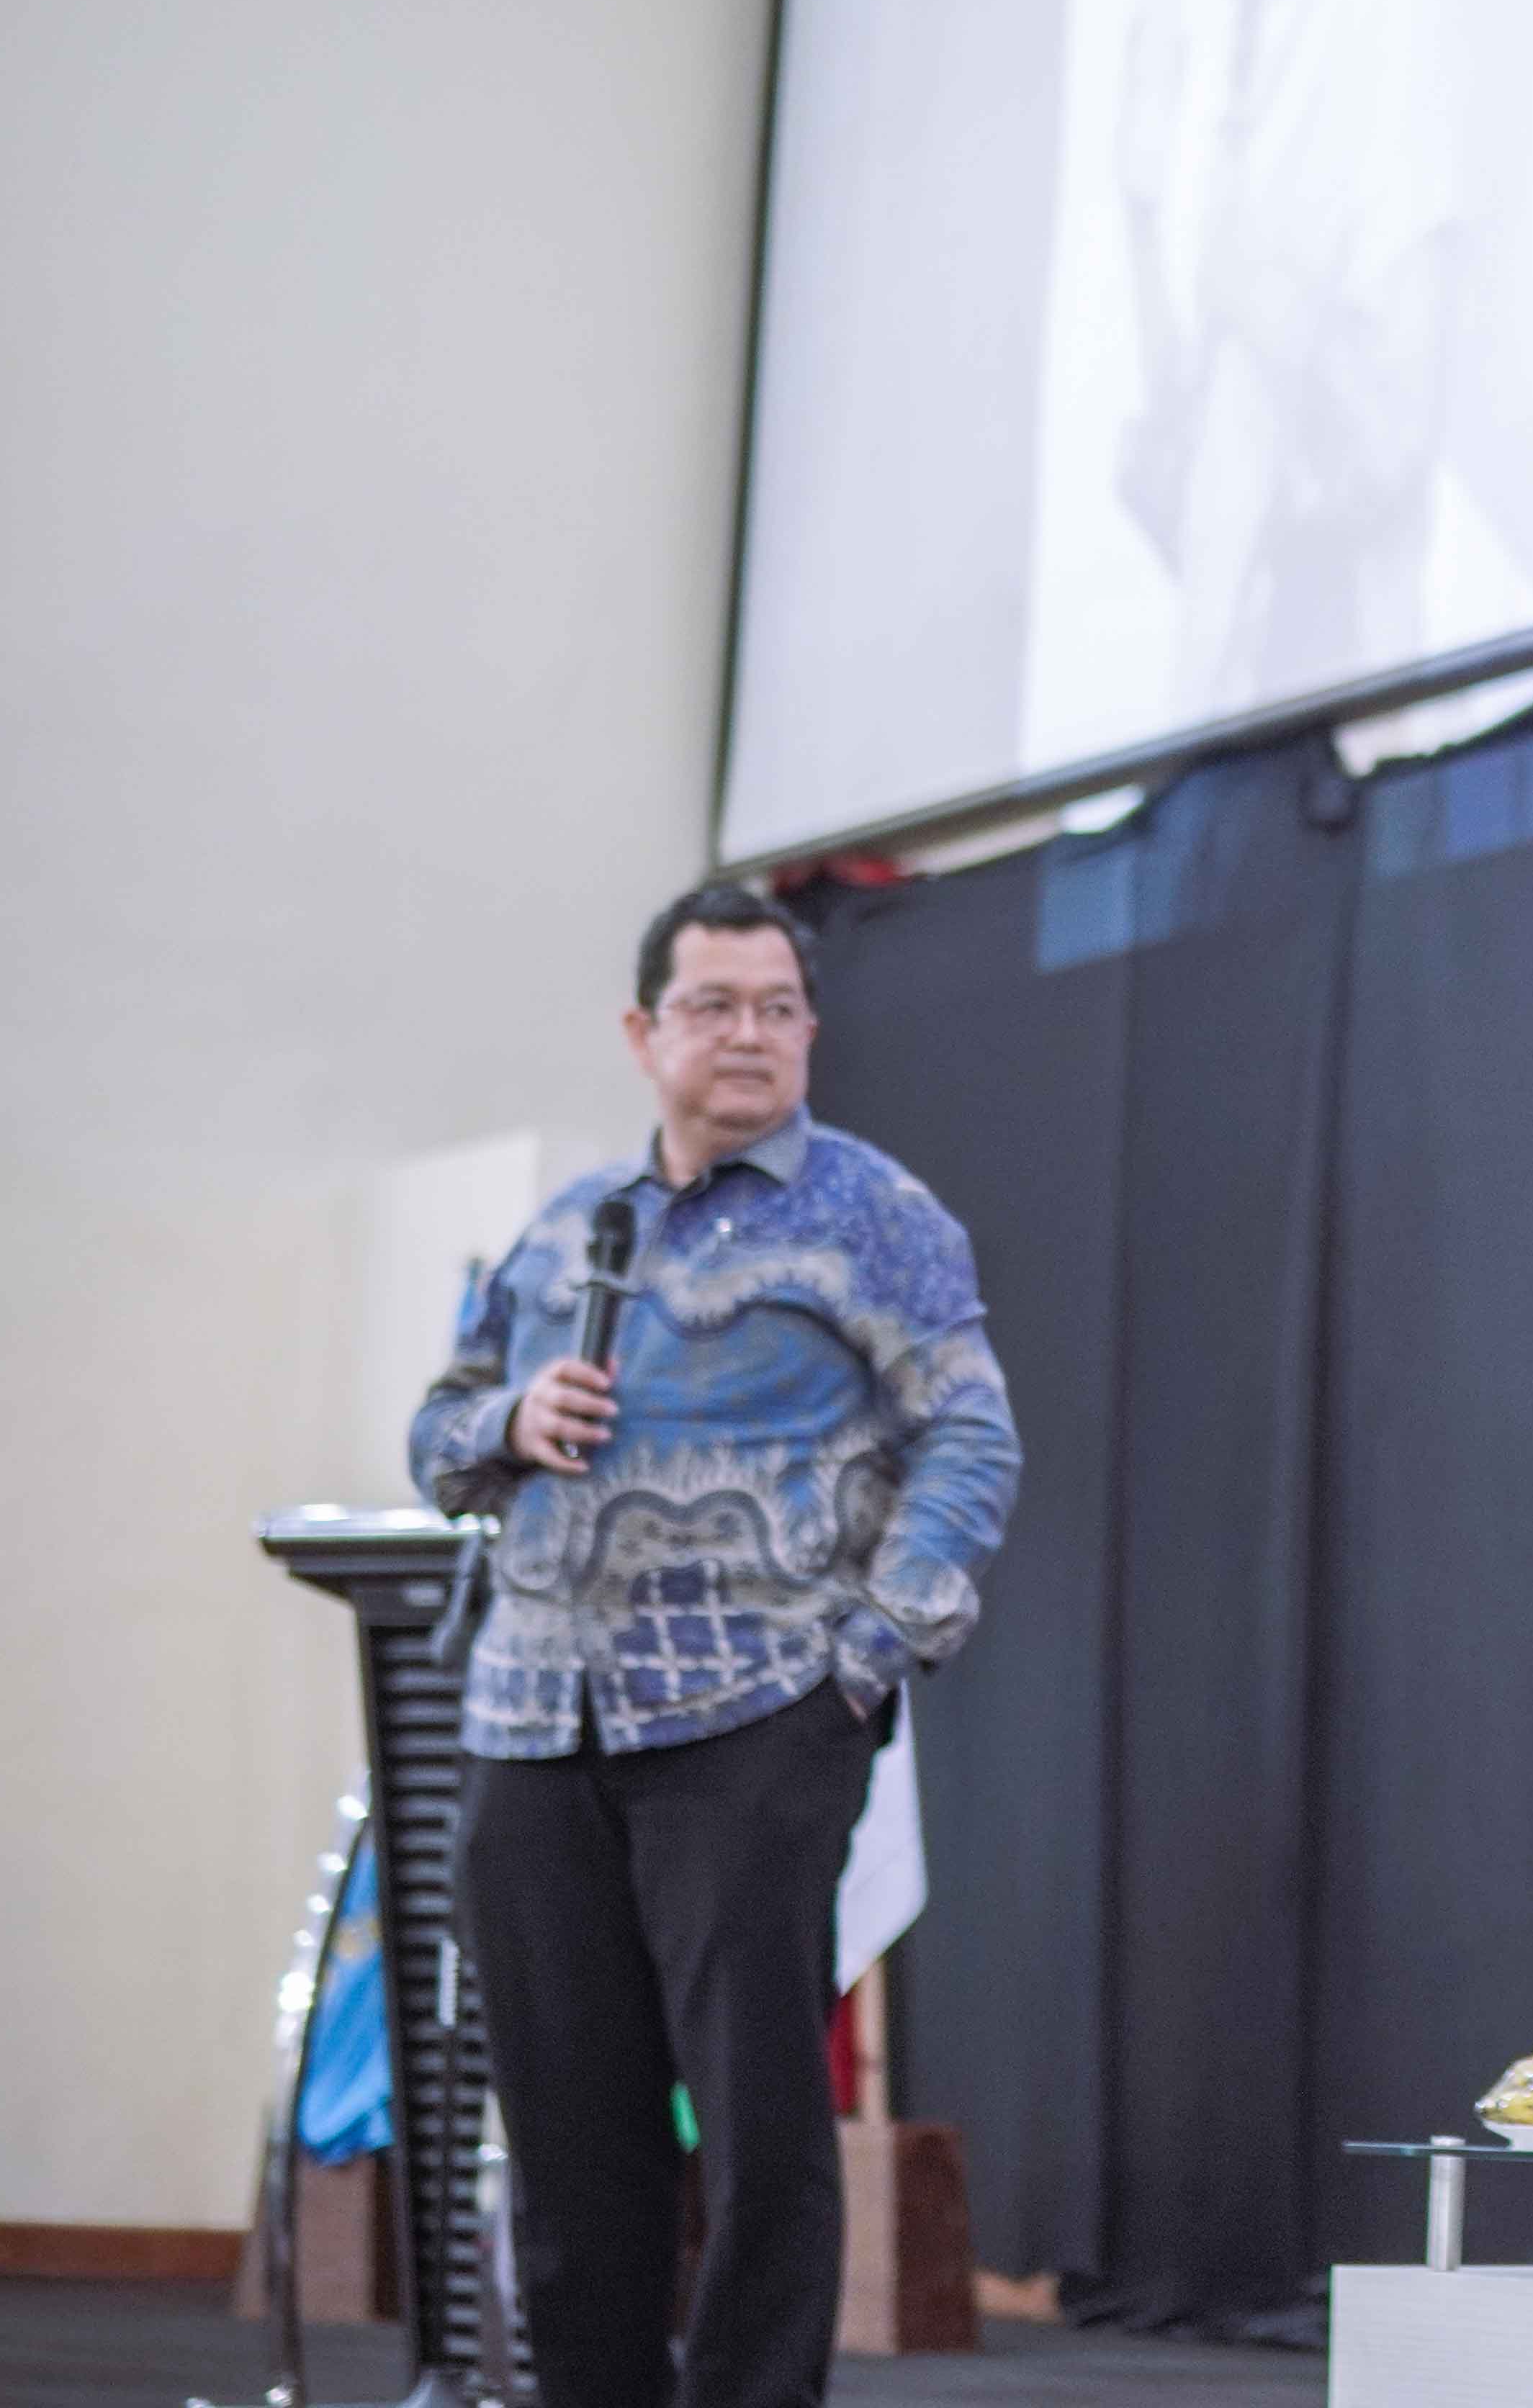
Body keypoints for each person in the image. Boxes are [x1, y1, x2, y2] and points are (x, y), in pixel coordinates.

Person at [410, 884, 1020, 2408]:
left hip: (754, 1719)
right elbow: (437, 1430)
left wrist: (866, 1659)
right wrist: (509, 1420)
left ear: (810, 1028)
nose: (748, 1033)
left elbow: (972, 1438)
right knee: (568, 2138)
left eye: (777, 1006)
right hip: (533, 1727)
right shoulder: (570, 1227)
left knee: (758, 2140)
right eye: (713, 1005)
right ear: (645, 1032)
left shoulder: (875, 1212)